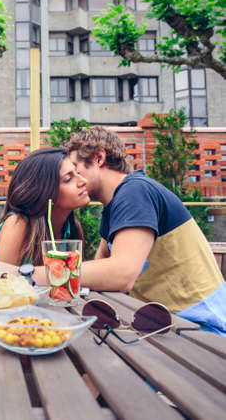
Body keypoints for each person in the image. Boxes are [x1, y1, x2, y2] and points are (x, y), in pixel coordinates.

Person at [54, 125, 225, 336]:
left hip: (204, 330)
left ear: (98, 158)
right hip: (172, 326)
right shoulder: (115, 206)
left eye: (76, 169)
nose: (75, 179)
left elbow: (121, 274)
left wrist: (41, 274)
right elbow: (102, 275)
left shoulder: (134, 192)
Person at [0, 147, 90, 281]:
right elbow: (2, 285)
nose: (83, 181)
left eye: (78, 173)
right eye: (68, 178)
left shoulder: (71, 228)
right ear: (45, 191)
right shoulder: (19, 224)